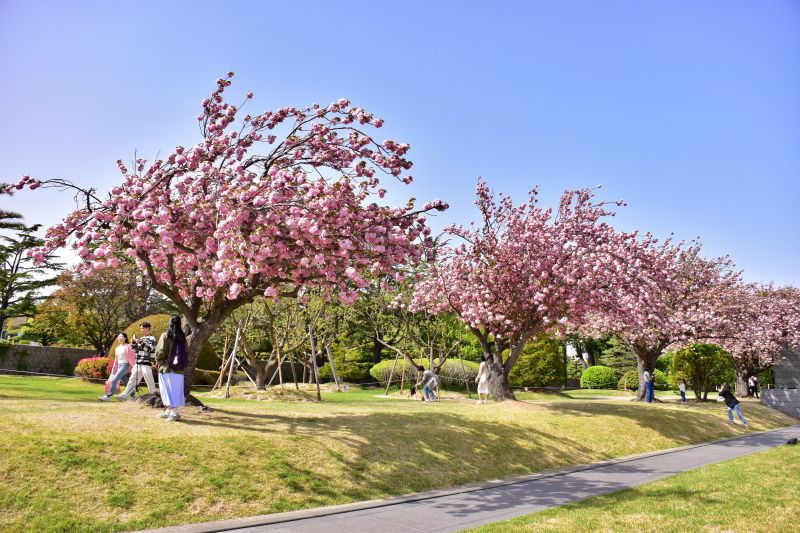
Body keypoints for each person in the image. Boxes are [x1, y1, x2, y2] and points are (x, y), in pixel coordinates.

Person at [155, 315, 187, 421]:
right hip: (179, 370)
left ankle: (174, 413)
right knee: (175, 391)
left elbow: (160, 352)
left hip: (167, 368)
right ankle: (168, 411)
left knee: (167, 391)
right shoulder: (182, 337)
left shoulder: (165, 335)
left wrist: (157, 360)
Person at [117, 322, 157, 401]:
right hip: (138, 363)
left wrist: (140, 342)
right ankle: (124, 395)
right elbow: (135, 350)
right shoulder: (141, 339)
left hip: (146, 363)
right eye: (141, 328)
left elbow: (149, 349)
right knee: (132, 379)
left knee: (149, 379)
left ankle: (154, 395)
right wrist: (133, 343)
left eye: (142, 328)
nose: (141, 330)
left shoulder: (152, 338)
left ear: (148, 328)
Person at [99, 332, 135, 401]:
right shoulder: (117, 348)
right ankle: (132, 397)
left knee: (114, 380)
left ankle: (108, 396)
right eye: (118, 337)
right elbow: (116, 359)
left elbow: (132, 357)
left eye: (121, 336)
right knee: (126, 383)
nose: (119, 338)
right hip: (119, 366)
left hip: (125, 365)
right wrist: (114, 368)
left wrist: (134, 366)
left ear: (125, 338)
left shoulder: (128, 346)